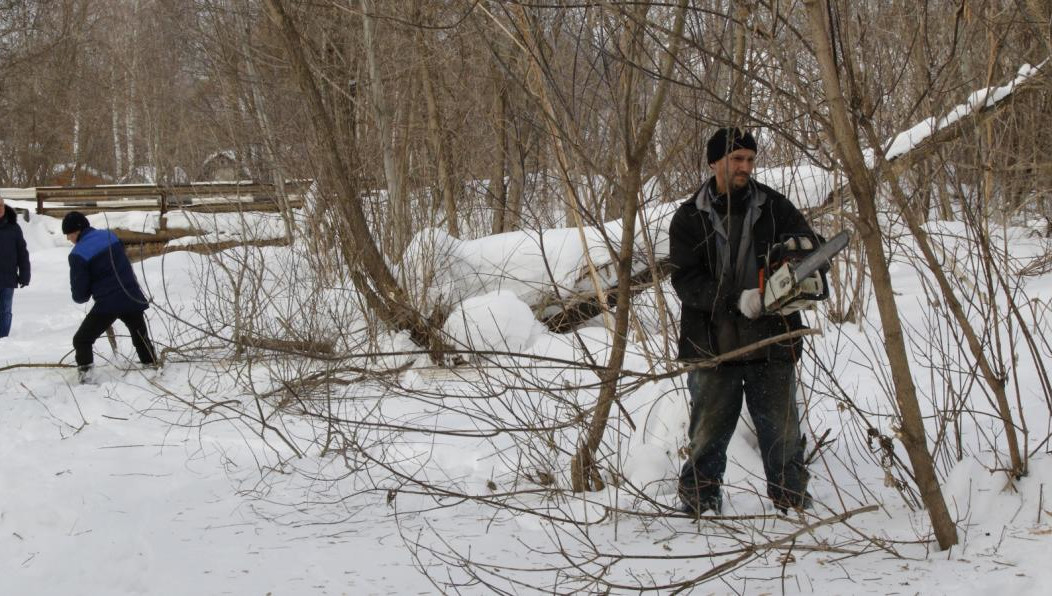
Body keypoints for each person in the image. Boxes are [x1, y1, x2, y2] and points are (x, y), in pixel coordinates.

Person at [668, 127, 819, 515]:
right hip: (713, 344)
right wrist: (737, 299)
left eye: (750, 159)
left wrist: (795, 272)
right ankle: (699, 503)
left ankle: (793, 503)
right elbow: (686, 281)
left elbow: (812, 248)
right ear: (714, 161)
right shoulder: (689, 217)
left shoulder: (774, 206)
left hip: (772, 340)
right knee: (708, 435)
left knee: (783, 434)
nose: (745, 167)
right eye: (737, 159)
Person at [62, 211, 157, 380]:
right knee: (140, 337)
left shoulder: (78, 254)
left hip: (108, 303)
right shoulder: (110, 236)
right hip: (131, 294)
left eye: (68, 235)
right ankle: (152, 366)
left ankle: (86, 377)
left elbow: (80, 294)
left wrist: (87, 291)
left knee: (82, 340)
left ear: (77, 231)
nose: (68, 239)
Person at [0, 195, 31, 338]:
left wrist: (25, 275)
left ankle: (3, 340)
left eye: (1, 206)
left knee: (5, 310)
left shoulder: (13, 227)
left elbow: (22, 253)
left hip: (7, 277)